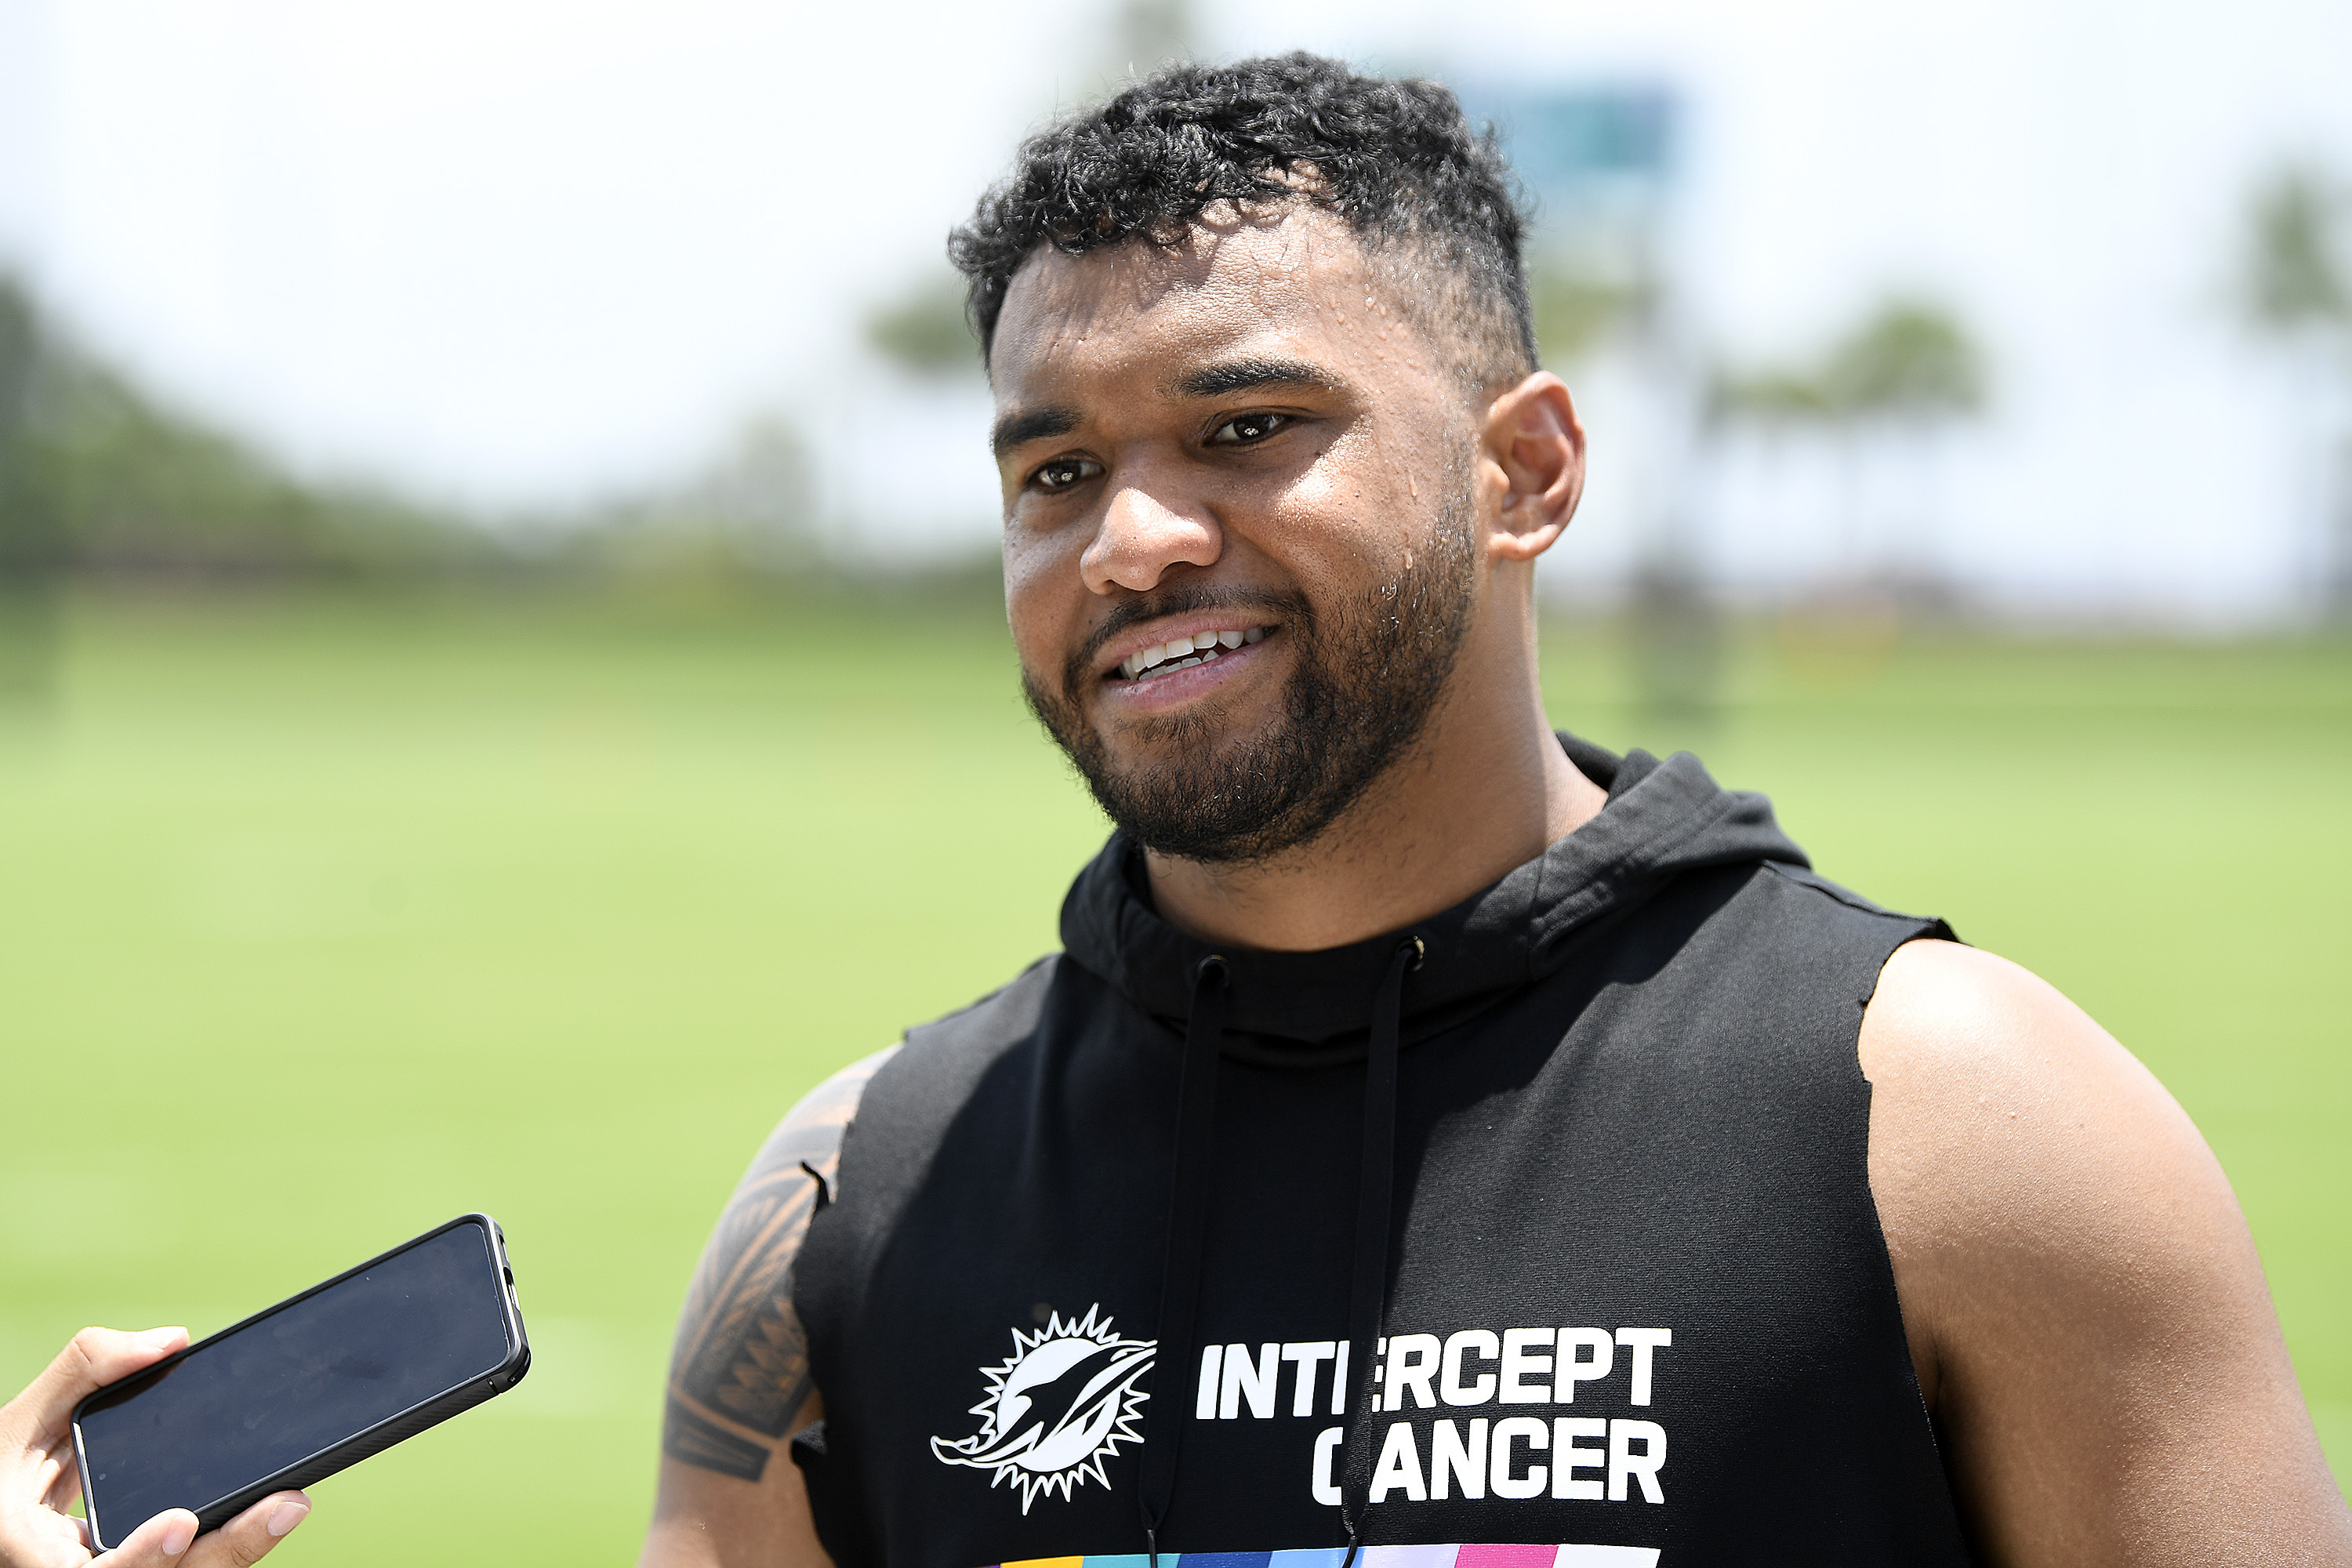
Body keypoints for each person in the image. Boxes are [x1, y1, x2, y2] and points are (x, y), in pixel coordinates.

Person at [632, 53, 2348, 1568]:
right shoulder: (859, 1194)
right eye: (1055, 471)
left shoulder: (1955, 1121)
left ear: (1524, 472)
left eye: (1244, 425)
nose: (1131, 540)